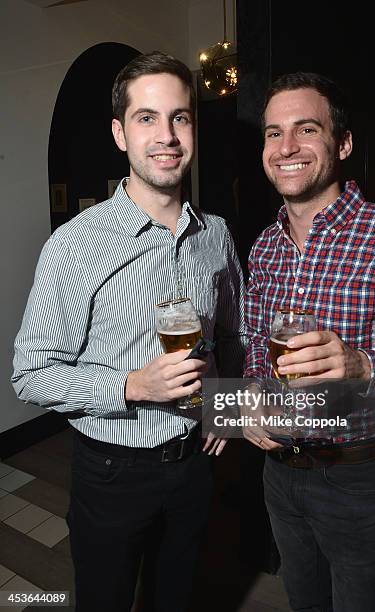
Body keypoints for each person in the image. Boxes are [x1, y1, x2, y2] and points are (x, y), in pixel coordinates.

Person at [12, 51, 245, 612]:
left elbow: (233, 336)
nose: (166, 135)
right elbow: (30, 375)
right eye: (147, 118)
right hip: (113, 473)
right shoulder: (75, 245)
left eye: (180, 117)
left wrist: (222, 404)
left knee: (177, 596)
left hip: (194, 463)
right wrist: (133, 386)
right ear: (120, 134)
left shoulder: (215, 234)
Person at [243, 71, 375, 612]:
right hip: (277, 474)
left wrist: (361, 366)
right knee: (303, 601)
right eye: (272, 132)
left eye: (305, 129)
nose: (285, 147)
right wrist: (245, 404)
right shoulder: (263, 246)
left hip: (357, 476)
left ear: (343, 142)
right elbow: (250, 343)